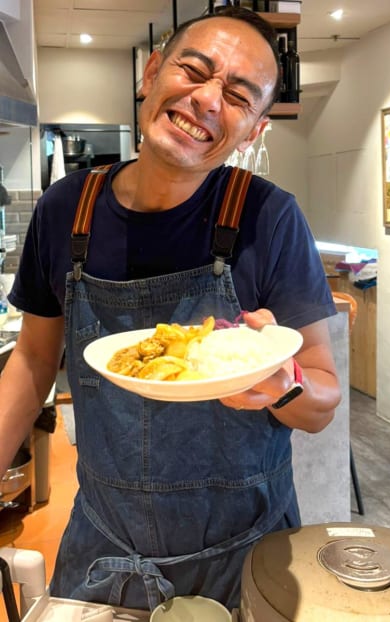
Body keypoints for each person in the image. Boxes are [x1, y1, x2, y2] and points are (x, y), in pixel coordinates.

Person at [0, 7, 341, 612]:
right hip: (105, 552)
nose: (207, 100)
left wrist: (282, 382)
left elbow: (320, 402)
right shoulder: (65, 211)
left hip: (248, 555)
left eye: (238, 96)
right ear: (152, 72)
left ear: (254, 130)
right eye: (195, 71)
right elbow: (31, 363)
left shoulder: (270, 217)